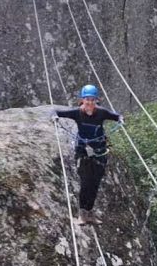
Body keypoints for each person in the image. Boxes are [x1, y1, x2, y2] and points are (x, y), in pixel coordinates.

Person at [53, 84, 124, 226]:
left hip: (99, 152)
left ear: (96, 100)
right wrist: (54, 117)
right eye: (87, 99)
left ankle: (90, 212)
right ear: (82, 100)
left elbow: (117, 116)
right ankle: (82, 214)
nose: (90, 102)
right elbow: (55, 112)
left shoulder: (102, 113)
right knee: (85, 182)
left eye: (92, 99)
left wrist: (121, 120)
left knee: (95, 184)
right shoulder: (77, 113)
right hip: (83, 151)